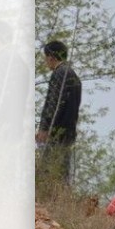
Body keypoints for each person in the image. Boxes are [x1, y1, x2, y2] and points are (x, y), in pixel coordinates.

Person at [36, 40, 82, 184]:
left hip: (55, 132)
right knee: (62, 171)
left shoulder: (59, 74)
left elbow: (53, 104)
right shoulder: (74, 76)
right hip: (68, 131)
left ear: (51, 57)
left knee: (47, 171)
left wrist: (44, 128)